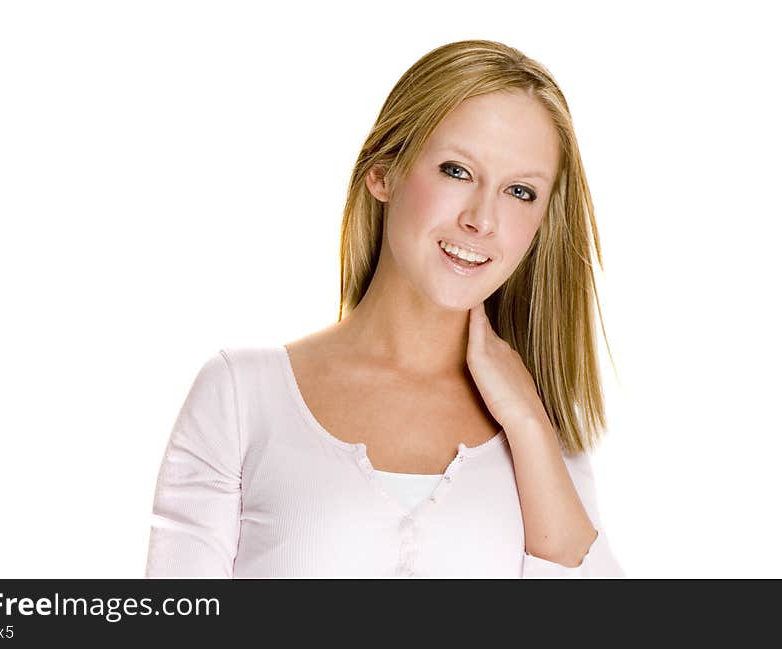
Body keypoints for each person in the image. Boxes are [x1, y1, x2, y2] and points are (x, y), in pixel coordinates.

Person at [145, 39, 626, 578]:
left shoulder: (543, 424)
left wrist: (528, 424)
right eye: (456, 171)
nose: (482, 219)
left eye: (519, 191)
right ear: (383, 172)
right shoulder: (241, 396)